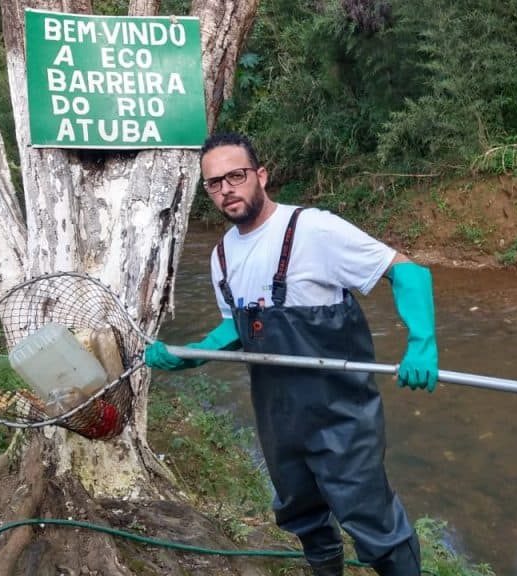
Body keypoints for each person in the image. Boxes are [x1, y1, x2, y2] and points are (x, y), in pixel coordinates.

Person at [144, 132, 438, 576]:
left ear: (260, 175)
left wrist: (421, 341)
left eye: (236, 176)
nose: (227, 189)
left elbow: (405, 271)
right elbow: (237, 327)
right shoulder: (221, 255)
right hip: (278, 414)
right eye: (214, 183)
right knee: (301, 512)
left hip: (343, 413)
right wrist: (193, 353)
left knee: (371, 521)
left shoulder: (313, 229)